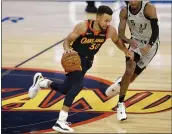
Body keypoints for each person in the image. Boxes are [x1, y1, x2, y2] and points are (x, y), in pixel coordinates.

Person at [28, 5, 132, 133]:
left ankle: (41, 82)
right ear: (97, 17)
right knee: (77, 86)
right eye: (105, 20)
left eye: (109, 21)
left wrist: (125, 51)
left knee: (66, 89)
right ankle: (61, 121)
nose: (108, 23)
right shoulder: (83, 26)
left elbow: (116, 41)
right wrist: (67, 50)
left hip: (87, 62)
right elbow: (67, 41)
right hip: (74, 59)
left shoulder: (110, 31)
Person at [105, 1, 159, 121]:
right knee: (129, 71)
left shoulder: (149, 8)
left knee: (131, 78)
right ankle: (120, 104)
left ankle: (120, 83)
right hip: (135, 44)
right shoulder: (124, 11)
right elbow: (121, 35)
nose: (132, 1)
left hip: (151, 46)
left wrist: (149, 45)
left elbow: (156, 30)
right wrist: (129, 41)